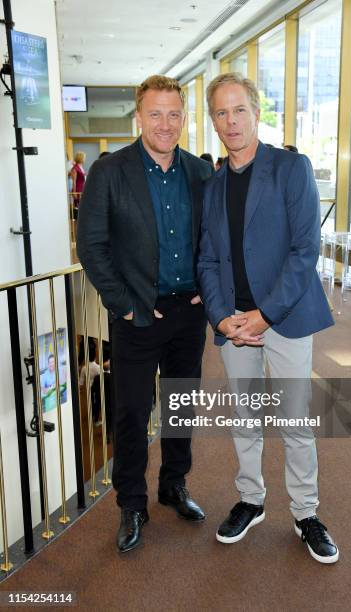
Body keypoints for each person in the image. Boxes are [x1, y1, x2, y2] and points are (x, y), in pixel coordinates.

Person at [197, 72, 338, 563]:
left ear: (257, 112)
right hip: (234, 323)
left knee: (295, 421)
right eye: (221, 112)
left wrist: (264, 315)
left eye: (239, 110)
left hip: (284, 317)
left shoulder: (290, 168)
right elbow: (208, 261)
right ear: (212, 120)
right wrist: (221, 318)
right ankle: (251, 500)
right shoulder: (213, 187)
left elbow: (305, 249)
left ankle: (305, 512)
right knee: (245, 418)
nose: (231, 121)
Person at [77, 75, 213, 553]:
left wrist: (206, 287)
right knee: (132, 412)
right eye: (155, 113)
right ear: (139, 116)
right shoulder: (110, 171)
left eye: (174, 113)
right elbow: (91, 247)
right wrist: (126, 305)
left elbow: (213, 240)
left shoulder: (200, 172)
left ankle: (174, 484)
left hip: (188, 312)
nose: (165, 123)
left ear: (183, 117)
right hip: (137, 315)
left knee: (180, 404)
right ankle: (131, 502)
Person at [70, 151, 87, 215]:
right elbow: (73, 181)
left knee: (82, 206)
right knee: (78, 207)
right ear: (81, 158)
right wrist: (74, 192)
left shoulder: (81, 167)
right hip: (77, 189)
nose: (85, 159)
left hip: (82, 189)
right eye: (84, 157)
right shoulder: (75, 168)